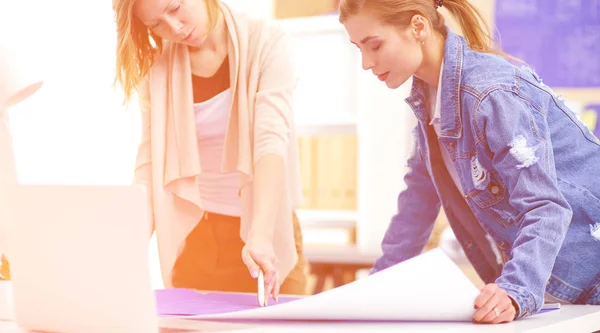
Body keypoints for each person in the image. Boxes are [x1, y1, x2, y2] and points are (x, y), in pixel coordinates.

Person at [338, 0, 600, 324]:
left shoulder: (490, 92)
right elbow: (417, 202)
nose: (365, 63)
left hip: (590, 284)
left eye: (374, 45)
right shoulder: (429, 99)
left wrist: (515, 290)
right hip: (559, 293)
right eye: (358, 49)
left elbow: (546, 207)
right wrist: (372, 291)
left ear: (418, 27)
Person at [112, 0, 308, 302]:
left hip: (265, 233)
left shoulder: (266, 41)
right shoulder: (158, 69)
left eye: (175, 8)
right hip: (199, 238)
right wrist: (126, 247)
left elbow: (270, 140)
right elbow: (149, 163)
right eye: (156, 25)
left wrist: (260, 233)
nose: (174, 28)